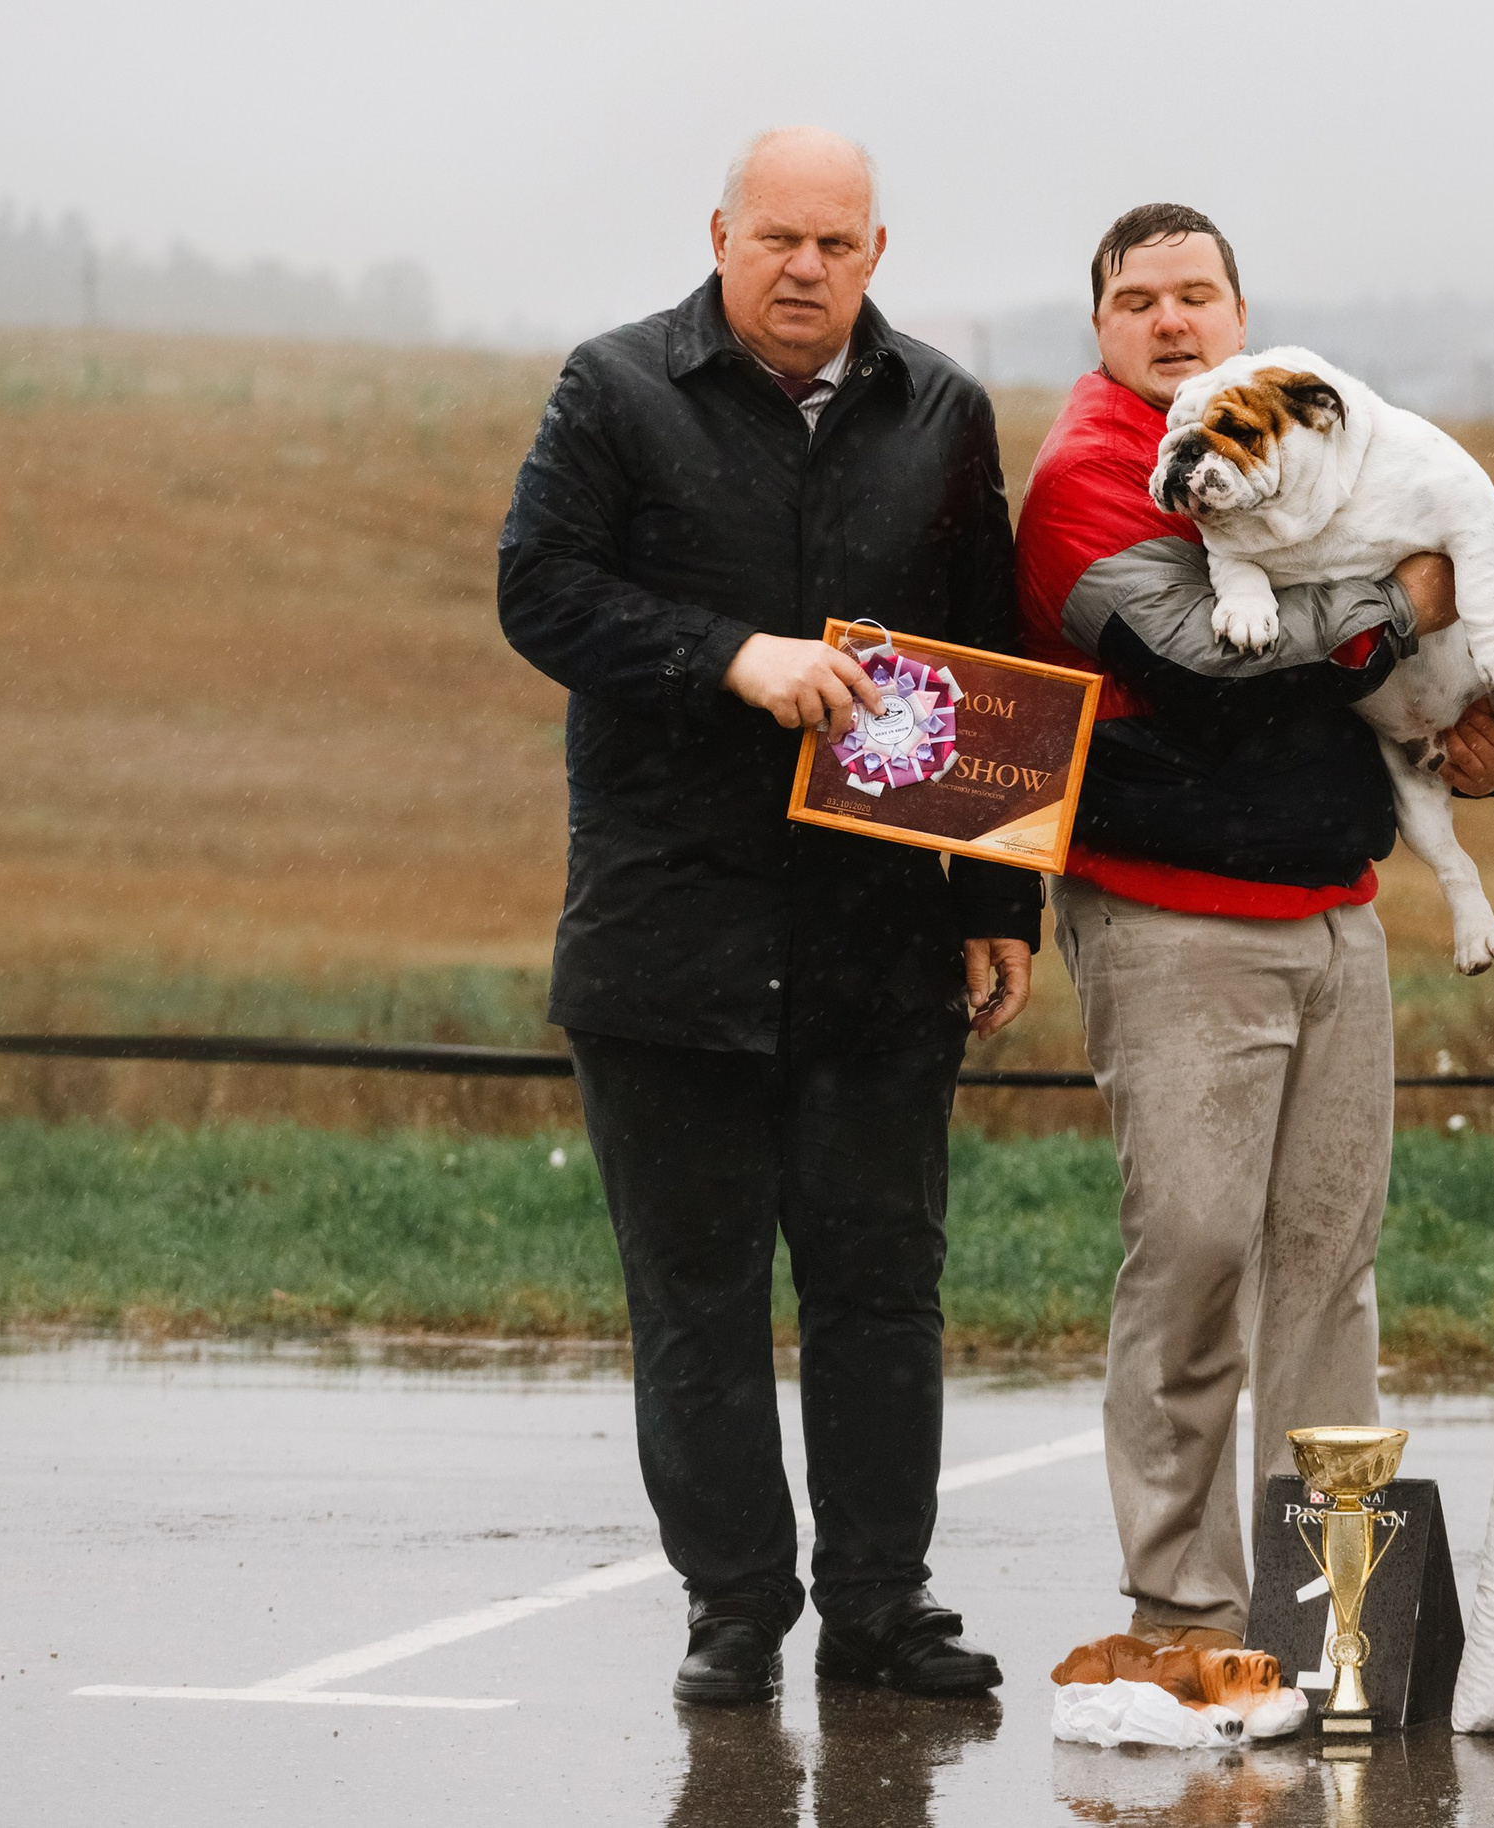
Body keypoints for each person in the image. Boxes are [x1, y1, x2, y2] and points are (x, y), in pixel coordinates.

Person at [497, 127, 1036, 1706]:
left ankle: (882, 1606)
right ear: (720, 234)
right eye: (777, 239)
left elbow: (984, 657)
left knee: (882, 1293)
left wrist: (996, 894)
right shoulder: (615, 391)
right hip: (669, 939)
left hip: (877, 945)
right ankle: (733, 1607)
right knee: (698, 1298)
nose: (805, 268)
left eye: (837, 244)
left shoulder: (939, 409)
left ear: (879, 254)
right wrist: (731, 654)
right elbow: (540, 588)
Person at [1013, 204, 1494, 1649]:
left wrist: (1457, 727)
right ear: (1101, 327)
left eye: (1197, 295)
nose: (1172, 323)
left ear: (1240, 313)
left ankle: (1330, 1623)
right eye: (1137, 302)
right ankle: (1183, 1612)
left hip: (1336, 909)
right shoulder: (1091, 477)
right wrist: (1404, 597)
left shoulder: (1303, 441)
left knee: (1325, 1268)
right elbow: (1212, 669)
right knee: (1192, 1256)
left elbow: (1368, 671)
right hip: (1172, 916)